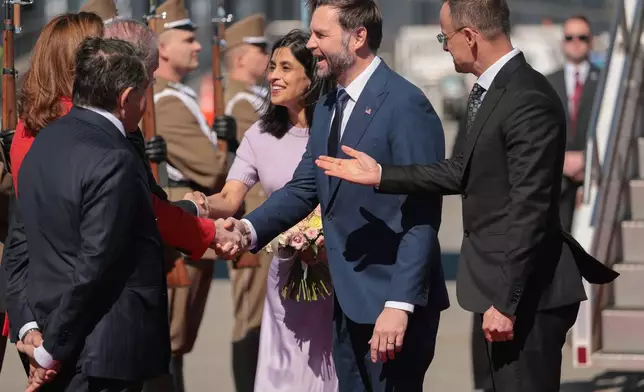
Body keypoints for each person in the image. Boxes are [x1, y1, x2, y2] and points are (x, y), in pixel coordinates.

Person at [314, 0, 619, 390]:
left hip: (526, 297)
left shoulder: (528, 97)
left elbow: (531, 209)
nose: (444, 46)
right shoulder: (490, 91)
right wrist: (381, 174)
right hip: (494, 288)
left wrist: (508, 302)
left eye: (447, 37)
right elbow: (461, 170)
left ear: (471, 38)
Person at [219, 1, 449, 390]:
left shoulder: (406, 105)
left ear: (358, 37)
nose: (310, 44)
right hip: (346, 305)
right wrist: (247, 228)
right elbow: (306, 185)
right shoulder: (328, 103)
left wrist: (399, 305)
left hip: (391, 308)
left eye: (320, 35)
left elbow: (422, 216)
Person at [2, 12, 226, 383]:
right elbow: (98, 254)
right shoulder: (102, 142)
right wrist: (201, 223)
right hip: (83, 332)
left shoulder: (44, 132)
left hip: (48, 322)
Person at [16, 36, 169, 392]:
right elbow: (95, 267)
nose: (144, 105)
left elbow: (18, 249)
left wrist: (32, 331)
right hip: (99, 351)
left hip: (51, 336)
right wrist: (51, 350)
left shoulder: (43, 142)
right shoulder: (115, 157)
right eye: (144, 94)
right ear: (126, 97)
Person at [206, 29, 337, 392]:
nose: (273, 76)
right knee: (285, 370)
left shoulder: (336, 131)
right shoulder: (260, 135)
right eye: (272, 67)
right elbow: (230, 197)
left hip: (335, 274)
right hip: (284, 274)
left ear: (311, 77)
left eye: (285, 68)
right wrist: (200, 205)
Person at [150, 1, 228, 390]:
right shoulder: (165, 101)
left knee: (174, 350)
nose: (196, 47)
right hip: (182, 235)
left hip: (189, 228)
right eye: (187, 38)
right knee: (169, 348)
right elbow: (213, 169)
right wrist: (229, 144)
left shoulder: (176, 95)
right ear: (162, 48)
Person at [221, 14, 271, 391]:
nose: (266, 55)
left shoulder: (253, 97)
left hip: (263, 222)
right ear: (240, 58)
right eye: (260, 49)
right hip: (251, 222)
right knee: (250, 316)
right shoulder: (241, 102)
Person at [546, 15, 600, 232]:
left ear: (591, 41)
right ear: (562, 42)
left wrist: (586, 158)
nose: (576, 42)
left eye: (582, 37)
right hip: (557, 175)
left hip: (595, 172)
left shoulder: (605, 81)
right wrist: (562, 158)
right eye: (570, 37)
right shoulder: (547, 82)